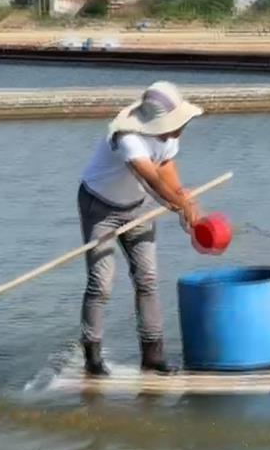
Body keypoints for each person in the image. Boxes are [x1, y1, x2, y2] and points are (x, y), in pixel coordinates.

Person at [75, 81, 203, 377]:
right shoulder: (128, 137)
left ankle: (152, 357)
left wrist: (184, 197)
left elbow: (166, 168)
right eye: (177, 121)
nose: (182, 126)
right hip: (100, 207)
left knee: (147, 278)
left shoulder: (168, 136)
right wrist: (178, 204)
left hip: (139, 205)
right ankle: (92, 359)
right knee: (101, 282)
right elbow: (150, 178)